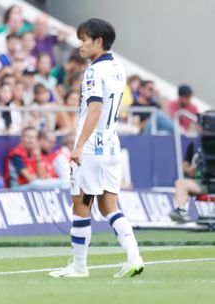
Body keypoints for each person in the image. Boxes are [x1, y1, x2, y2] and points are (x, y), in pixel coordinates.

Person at [49, 18, 144, 278]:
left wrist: (78, 145)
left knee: (80, 207)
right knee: (109, 207)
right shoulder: (119, 68)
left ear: (98, 41)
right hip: (111, 143)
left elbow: (95, 108)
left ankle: (79, 266)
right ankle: (134, 257)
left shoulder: (93, 72)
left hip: (91, 147)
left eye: (84, 39)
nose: (80, 45)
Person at [4, 126, 68, 190]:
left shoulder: (33, 153)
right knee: (62, 183)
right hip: (18, 188)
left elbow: (42, 177)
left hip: (31, 185)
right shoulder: (16, 154)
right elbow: (30, 179)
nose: (31, 140)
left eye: (34, 138)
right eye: (28, 137)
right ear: (22, 138)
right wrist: (36, 178)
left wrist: (38, 158)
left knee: (65, 182)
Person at [168, 140, 207, 222]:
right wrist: (189, 170)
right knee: (180, 183)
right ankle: (181, 211)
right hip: (201, 182)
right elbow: (184, 166)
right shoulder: (195, 144)